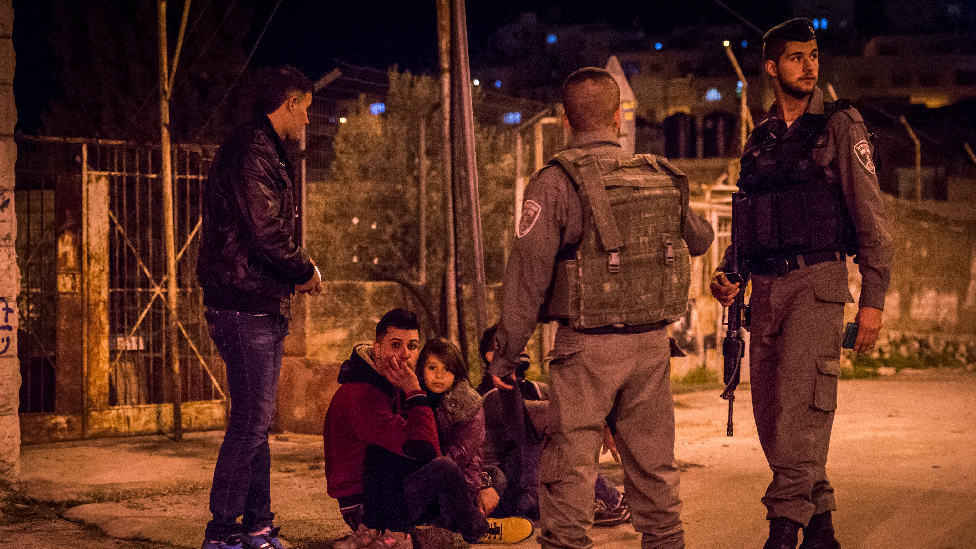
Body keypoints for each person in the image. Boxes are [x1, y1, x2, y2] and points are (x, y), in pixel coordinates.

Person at [488, 67, 714, 549]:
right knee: (654, 469)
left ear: (566, 121)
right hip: (652, 346)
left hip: (585, 349)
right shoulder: (658, 176)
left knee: (569, 469)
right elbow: (700, 239)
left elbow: (528, 275)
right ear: (617, 117)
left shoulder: (553, 183)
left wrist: (507, 354)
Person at [709, 18, 892, 549]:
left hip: (818, 283)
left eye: (813, 55)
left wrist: (873, 302)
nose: (808, 66)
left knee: (801, 412)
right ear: (771, 66)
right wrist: (729, 270)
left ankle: (783, 530)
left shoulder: (840, 125)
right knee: (771, 417)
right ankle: (823, 528)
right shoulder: (762, 137)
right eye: (796, 57)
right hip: (764, 291)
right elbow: (751, 218)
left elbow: (872, 221)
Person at [196, 65, 323, 549]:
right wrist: (304, 270)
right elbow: (265, 231)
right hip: (242, 301)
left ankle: (257, 525)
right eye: (306, 109)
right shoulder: (252, 150)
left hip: (257, 301)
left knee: (257, 420)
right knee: (250, 422)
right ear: (289, 103)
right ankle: (223, 530)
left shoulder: (263, 148)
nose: (308, 121)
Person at [322, 309, 533, 548]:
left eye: (412, 346)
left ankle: (449, 524)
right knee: (445, 468)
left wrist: (481, 484)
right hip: (368, 507)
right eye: (395, 345)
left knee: (491, 475)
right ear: (377, 349)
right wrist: (413, 389)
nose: (404, 355)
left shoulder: (391, 382)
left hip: (395, 487)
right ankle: (473, 527)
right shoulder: (363, 395)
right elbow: (426, 450)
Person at [477, 326, 630, 527]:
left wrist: (607, 424)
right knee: (545, 430)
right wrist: (601, 422)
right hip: (506, 491)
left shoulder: (533, 388)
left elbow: (575, 403)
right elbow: (554, 414)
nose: (520, 348)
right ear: (491, 357)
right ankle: (596, 501)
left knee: (565, 429)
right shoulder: (491, 397)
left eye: (519, 343)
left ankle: (604, 499)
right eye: (509, 345)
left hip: (531, 484)